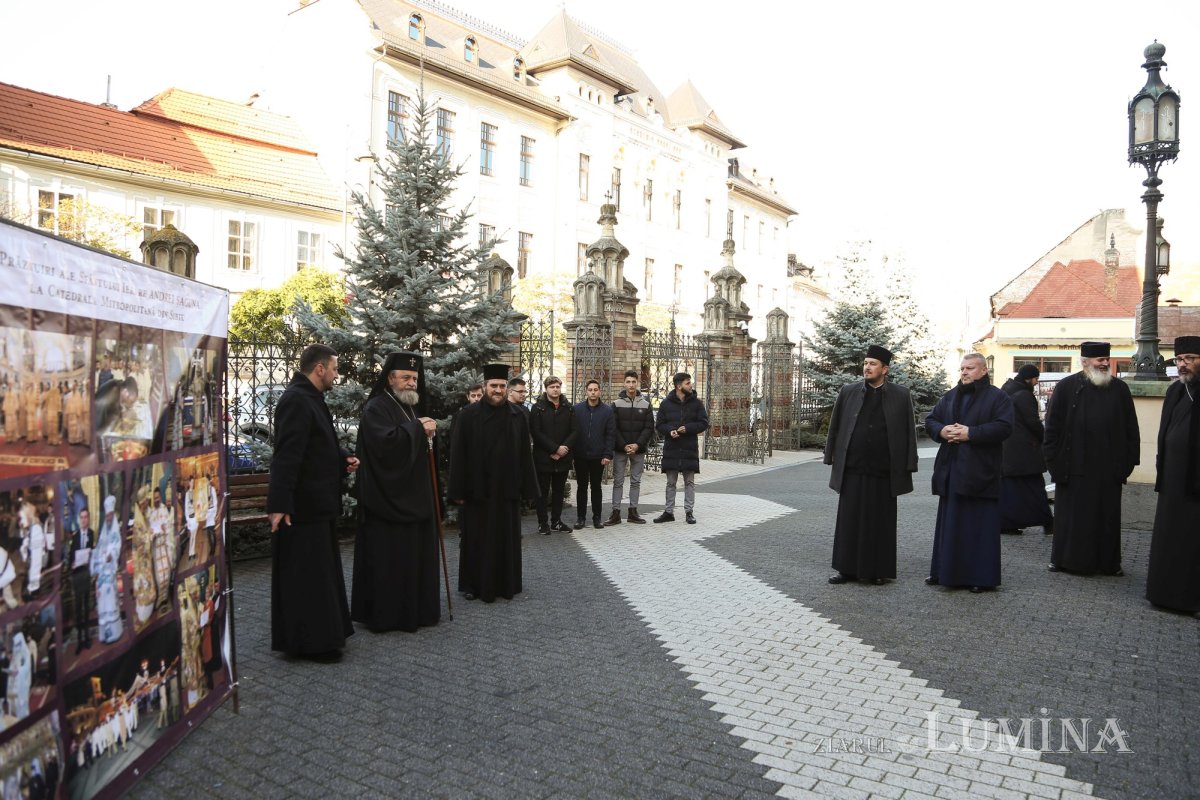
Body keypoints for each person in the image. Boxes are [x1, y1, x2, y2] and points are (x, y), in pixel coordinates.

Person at [267, 343, 359, 659]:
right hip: (302, 508)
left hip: (317, 505)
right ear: (319, 368)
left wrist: (343, 457)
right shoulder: (296, 401)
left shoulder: (312, 399)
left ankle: (324, 635)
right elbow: (287, 456)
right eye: (334, 368)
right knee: (307, 578)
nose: (337, 374)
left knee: (319, 574)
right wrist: (279, 504)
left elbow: (319, 445)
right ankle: (312, 643)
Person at [351, 352, 441, 633]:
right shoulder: (377, 407)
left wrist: (422, 430)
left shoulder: (410, 407)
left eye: (414, 378)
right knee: (390, 561)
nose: (412, 383)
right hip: (386, 501)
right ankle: (388, 615)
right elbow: (385, 446)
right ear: (390, 379)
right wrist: (418, 429)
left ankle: (415, 610)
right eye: (405, 377)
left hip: (413, 496)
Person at [823, 346, 918, 585]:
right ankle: (846, 570)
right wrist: (830, 455)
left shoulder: (900, 394)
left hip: (884, 471)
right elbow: (835, 426)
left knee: (881, 522)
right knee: (849, 521)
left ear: (885, 369)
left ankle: (878, 571)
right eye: (865, 363)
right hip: (853, 468)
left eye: (873, 363)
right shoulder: (848, 391)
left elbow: (909, 432)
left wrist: (909, 464)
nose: (867, 367)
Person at [1043, 341, 1140, 576]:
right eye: (1100, 360)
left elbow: (1131, 428)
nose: (1105, 363)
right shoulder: (1066, 387)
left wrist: (1128, 463)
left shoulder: (1119, 389)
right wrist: (1052, 461)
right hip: (1074, 466)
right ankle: (1066, 561)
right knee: (1072, 519)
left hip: (1108, 468)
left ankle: (1108, 564)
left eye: (1107, 359)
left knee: (1106, 519)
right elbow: (1052, 427)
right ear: (1085, 362)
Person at [448, 363, 538, 602]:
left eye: (501, 386)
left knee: (504, 539)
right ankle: (472, 585)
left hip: (506, 489)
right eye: (493, 386)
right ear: (485, 387)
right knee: (475, 539)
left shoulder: (517, 415)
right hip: (476, 490)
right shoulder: (468, 416)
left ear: (506, 388)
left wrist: (528, 488)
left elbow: (524, 455)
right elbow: (458, 455)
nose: (497, 390)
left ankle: (505, 584)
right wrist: (456, 489)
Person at [925, 353, 1013, 593]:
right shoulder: (951, 396)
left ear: (983, 371)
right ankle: (943, 572)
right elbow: (931, 420)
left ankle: (980, 577)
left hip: (980, 471)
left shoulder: (998, 397)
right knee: (950, 524)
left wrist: (970, 433)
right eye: (962, 368)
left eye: (970, 368)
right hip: (952, 470)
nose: (964, 372)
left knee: (979, 526)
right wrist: (942, 431)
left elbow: (1005, 427)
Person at [1145, 336, 1200, 614]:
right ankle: (1163, 593)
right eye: (1180, 360)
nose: (1183, 365)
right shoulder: (1176, 391)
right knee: (1170, 537)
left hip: (1195, 482)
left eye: (1190, 359)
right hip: (1173, 480)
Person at [997, 364, 1054, 535]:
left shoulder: (1006, 390)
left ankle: (1007, 524)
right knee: (1035, 489)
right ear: (1029, 378)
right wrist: (1044, 437)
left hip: (1007, 451)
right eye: (1036, 379)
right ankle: (1048, 522)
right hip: (1025, 452)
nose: (1036, 383)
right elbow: (1033, 422)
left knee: (1010, 490)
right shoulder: (1024, 395)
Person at [654, 372, 709, 524]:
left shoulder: (697, 403)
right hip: (672, 447)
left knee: (689, 482)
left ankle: (689, 512)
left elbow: (704, 423)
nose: (691, 385)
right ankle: (668, 512)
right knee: (670, 482)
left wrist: (689, 428)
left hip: (689, 447)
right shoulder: (666, 403)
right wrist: (670, 431)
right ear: (679, 386)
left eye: (690, 382)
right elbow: (659, 424)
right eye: (687, 383)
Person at [529, 376, 576, 534]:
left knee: (558, 491)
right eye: (552, 387)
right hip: (544, 457)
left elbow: (575, 431)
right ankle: (543, 523)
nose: (555, 389)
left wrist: (564, 449)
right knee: (542, 492)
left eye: (557, 386)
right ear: (546, 389)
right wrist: (554, 449)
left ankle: (556, 521)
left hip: (563, 457)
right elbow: (536, 432)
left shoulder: (568, 408)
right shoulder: (538, 408)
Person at [608, 369, 654, 525]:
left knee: (635, 481)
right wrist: (624, 445)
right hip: (621, 449)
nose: (631, 385)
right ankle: (615, 513)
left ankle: (633, 512)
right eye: (628, 382)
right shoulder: (616, 404)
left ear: (637, 383)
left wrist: (637, 444)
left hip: (638, 449)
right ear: (624, 383)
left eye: (634, 382)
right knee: (618, 481)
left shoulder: (646, 404)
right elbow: (613, 427)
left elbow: (649, 428)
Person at [572, 379, 615, 530]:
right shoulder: (577, 409)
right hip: (580, 454)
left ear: (600, 391)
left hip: (598, 456)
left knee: (596, 487)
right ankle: (580, 518)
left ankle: (597, 517)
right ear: (586, 391)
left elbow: (610, 434)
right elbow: (572, 432)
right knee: (581, 487)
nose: (593, 392)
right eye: (590, 390)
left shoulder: (607, 411)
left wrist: (607, 454)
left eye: (595, 389)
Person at [91, 495, 124, 643]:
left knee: (110, 602)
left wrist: (111, 556)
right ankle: (105, 634)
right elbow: (99, 547)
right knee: (102, 604)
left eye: (111, 515)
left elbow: (117, 547)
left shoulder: (115, 531)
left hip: (109, 573)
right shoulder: (103, 532)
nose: (109, 517)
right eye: (107, 515)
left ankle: (115, 633)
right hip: (101, 576)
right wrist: (97, 558)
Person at [69, 506, 95, 653]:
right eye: (82, 517)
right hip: (77, 575)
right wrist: (73, 563)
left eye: (86, 517)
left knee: (87, 606)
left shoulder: (91, 534)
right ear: (80, 520)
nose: (84, 520)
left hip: (86, 574)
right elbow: (72, 556)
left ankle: (86, 637)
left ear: (89, 519)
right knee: (78, 608)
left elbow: (91, 550)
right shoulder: (75, 536)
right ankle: (79, 639)